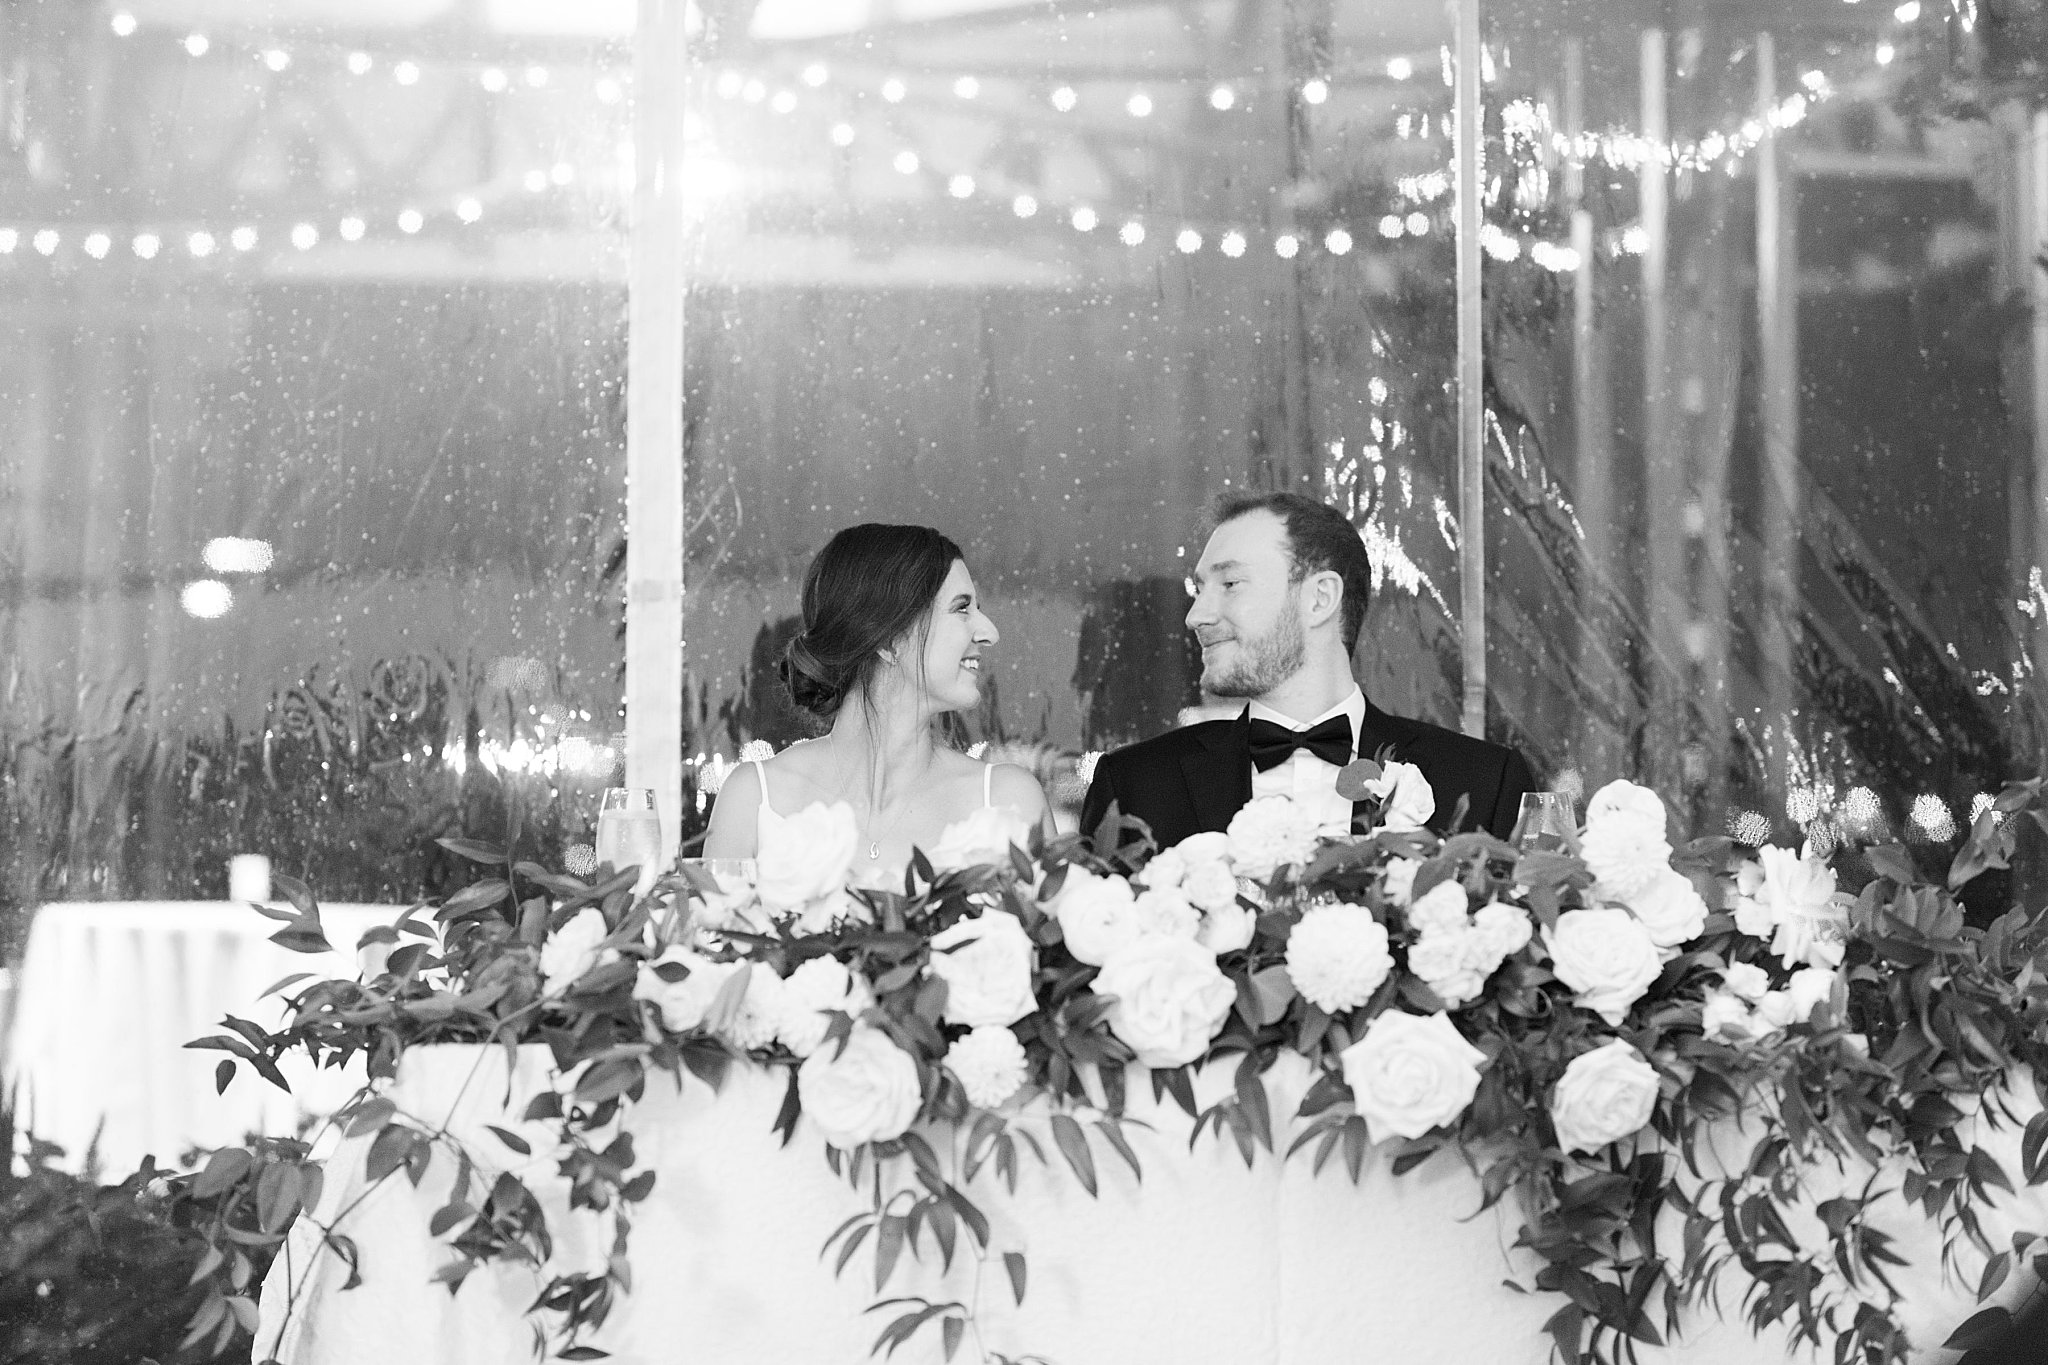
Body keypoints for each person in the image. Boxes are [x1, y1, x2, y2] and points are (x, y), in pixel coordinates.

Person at [1079, 491, 1536, 849]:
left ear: (1319, 598)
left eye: (1230, 584)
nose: (1196, 615)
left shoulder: (1485, 782)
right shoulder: (1135, 785)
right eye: (1200, 589)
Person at [704, 523, 1050, 873]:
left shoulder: (1009, 802)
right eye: (962, 608)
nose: (989, 632)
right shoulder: (754, 798)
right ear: (887, 639)